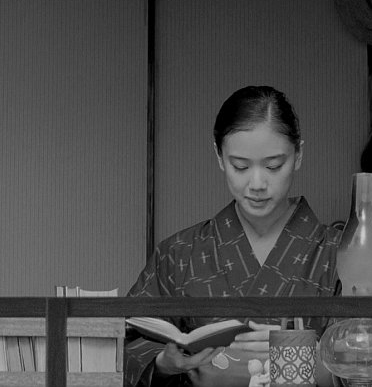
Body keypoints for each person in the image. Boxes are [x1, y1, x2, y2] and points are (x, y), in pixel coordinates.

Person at [124, 86, 339, 387]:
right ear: (219, 156)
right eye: (240, 166)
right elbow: (126, 347)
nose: (257, 183)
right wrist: (162, 364)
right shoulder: (179, 253)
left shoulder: (339, 254)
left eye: (274, 166)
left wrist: (307, 358)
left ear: (299, 154)